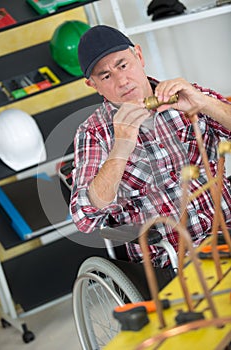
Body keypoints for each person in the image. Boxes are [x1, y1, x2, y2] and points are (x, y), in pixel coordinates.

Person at [70, 24, 231, 269]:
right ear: (93, 85)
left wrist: (204, 103)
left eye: (123, 65)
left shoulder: (186, 94)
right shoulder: (93, 133)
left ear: (139, 56)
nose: (122, 80)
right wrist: (121, 147)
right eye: (106, 75)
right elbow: (84, 219)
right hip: (175, 257)